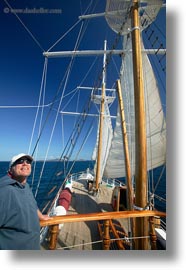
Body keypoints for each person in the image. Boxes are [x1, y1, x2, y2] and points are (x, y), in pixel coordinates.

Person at [0, 153, 51, 250]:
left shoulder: (25, 186)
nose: (25, 164)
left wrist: (41, 216)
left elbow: (32, 204)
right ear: (11, 169)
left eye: (28, 162)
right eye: (20, 161)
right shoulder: (5, 192)